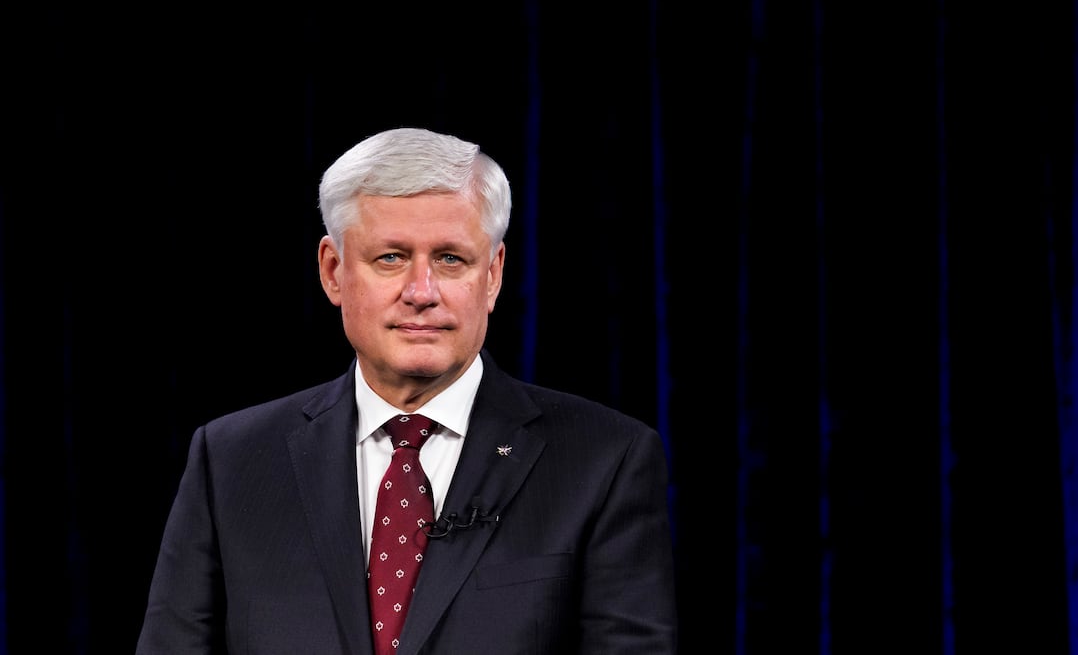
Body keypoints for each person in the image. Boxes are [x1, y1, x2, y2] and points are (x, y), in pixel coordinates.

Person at [136, 126, 678, 654]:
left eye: (450, 259)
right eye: (390, 258)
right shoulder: (231, 462)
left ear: (492, 274)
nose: (422, 293)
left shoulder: (605, 461)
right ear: (333, 271)